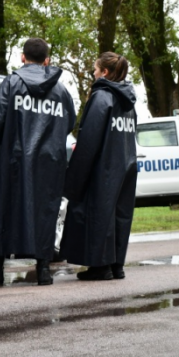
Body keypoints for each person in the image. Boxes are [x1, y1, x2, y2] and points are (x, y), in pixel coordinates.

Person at [0, 38, 77, 286]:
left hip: (14, 161)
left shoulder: (12, 84)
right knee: (46, 212)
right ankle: (44, 270)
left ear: (22, 57)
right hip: (50, 163)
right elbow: (69, 122)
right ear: (47, 61)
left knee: (3, 211)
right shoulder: (61, 91)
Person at [60, 52, 138, 281]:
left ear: (104, 72)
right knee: (119, 216)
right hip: (125, 166)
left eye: (95, 69)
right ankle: (116, 265)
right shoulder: (129, 102)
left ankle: (100, 266)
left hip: (102, 168)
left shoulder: (101, 97)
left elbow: (89, 139)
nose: (93, 73)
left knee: (98, 215)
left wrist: (75, 176)